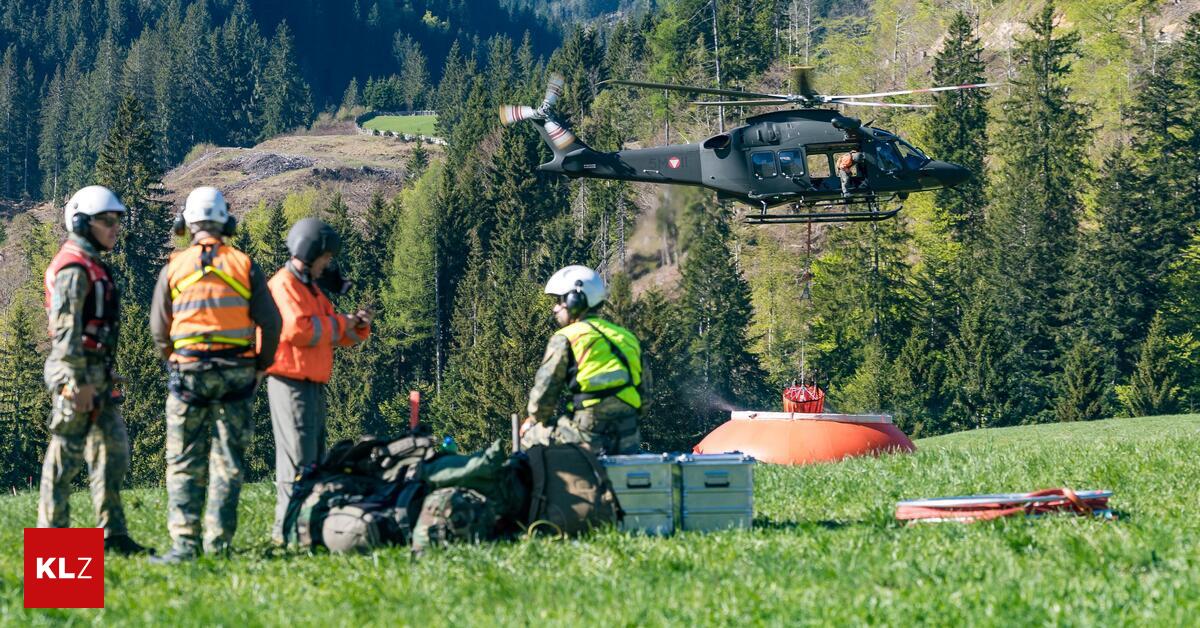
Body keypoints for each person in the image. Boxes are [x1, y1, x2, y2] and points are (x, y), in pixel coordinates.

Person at [149, 186, 281, 564]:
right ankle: (218, 544)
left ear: (186, 224)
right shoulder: (243, 264)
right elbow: (271, 324)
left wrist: (172, 359)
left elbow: (160, 328)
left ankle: (185, 545)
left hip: (188, 372)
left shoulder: (175, 267)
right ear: (226, 222)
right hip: (237, 374)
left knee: (183, 460)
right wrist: (260, 367)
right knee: (228, 460)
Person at [38, 186, 153, 556]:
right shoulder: (73, 267)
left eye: (117, 220)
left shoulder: (93, 263)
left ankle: (112, 537)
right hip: (75, 375)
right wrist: (77, 382)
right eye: (107, 221)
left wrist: (105, 372)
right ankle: (53, 547)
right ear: (82, 223)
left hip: (96, 374)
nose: (115, 227)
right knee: (66, 457)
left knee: (112, 452)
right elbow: (66, 332)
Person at [266, 218, 371, 545]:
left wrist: (357, 326)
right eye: (325, 257)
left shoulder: (311, 290)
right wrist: (340, 324)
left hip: (312, 384)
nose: (328, 264)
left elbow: (332, 331)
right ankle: (287, 534)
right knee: (297, 461)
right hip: (290, 383)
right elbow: (298, 329)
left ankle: (306, 530)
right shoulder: (284, 285)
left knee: (313, 459)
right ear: (309, 252)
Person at [520, 265, 644, 455]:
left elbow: (544, 394)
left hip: (586, 434)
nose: (555, 308)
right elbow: (646, 396)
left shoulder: (567, 337)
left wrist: (534, 420)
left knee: (529, 437)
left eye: (559, 301)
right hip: (629, 436)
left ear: (574, 299)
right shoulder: (626, 337)